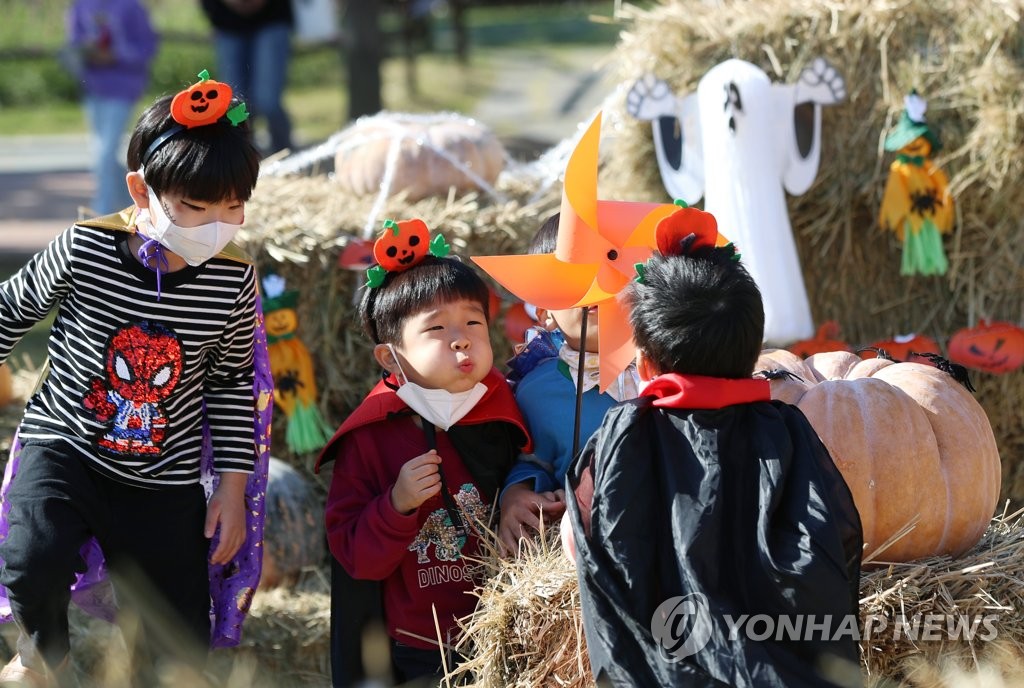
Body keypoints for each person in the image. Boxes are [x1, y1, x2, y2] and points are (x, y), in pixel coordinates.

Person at [0, 78, 266, 686]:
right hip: (66, 443)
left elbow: (228, 384)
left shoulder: (232, 282)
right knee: (32, 559)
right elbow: (7, 311)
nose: (217, 224)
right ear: (141, 190)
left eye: (233, 207)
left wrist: (231, 486)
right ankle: (42, 658)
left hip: (164, 476)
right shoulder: (84, 248)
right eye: (197, 209)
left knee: (176, 639)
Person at [562, 206, 863, 687]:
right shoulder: (787, 429)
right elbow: (828, 538)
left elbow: (586, 547)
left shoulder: (624, 436)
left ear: (645, 364)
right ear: (752, 353)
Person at [318, 231, 531, 684]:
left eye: (473, 324)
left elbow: (538, 479)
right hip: (423, 645)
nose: (461, 341)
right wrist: (396, 505)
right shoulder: (371, 437)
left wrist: (523, 492)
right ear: (391, 358)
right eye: (437, 328)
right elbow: (354, 553)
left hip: (512, 629)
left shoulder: (507, 415)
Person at [498, 213, 639, 555]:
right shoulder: (534, 392)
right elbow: (532, 462)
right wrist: (516, 495)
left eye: (611, 266)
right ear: (545, 312)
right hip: (586, 550)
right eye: (576, 276)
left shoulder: (669, 366)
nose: (598, 285)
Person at [66, 0, 158, 215]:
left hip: (123, 87)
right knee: (102, 154)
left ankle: (100, 214)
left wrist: (116, 55)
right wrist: (87, 53)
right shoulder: (81, 6)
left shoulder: (132, 7)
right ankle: (137, 206)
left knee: (105, 153)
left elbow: (147, 47)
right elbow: (75, 42)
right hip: (93, 87)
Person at [200, 0, 294, 154]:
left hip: (272, 17)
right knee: (234, 103)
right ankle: (241, 156)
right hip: (226, 22)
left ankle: (286, 154)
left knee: (268, 100)